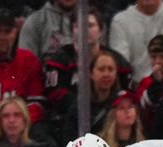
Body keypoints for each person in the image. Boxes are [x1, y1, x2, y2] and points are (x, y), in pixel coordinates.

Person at [43, 7, 133, 138]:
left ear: (101, 31)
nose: (84, 30)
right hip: (67, 122)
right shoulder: (59, 60)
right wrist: (85, 106)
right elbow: (54, 93)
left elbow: (128, 94)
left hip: (110, 121)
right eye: (78, 26)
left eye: (90, 25)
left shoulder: (118, 61)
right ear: (72, 30)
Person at [62, 50, 121, 143]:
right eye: (101, 69)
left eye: (110, 69)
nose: (106, 74)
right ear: (91, 73)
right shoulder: (79, 107)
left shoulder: (121, 104)